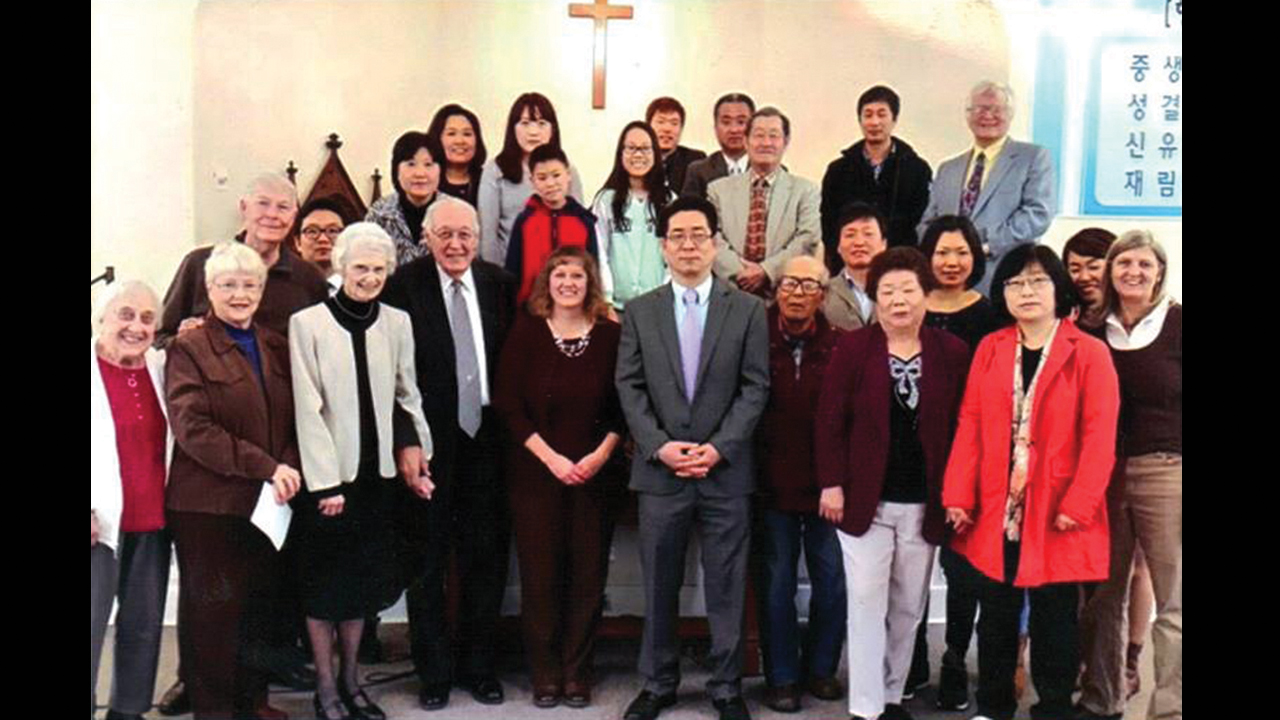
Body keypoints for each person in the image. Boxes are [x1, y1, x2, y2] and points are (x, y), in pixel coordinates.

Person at [154, 174, 324, 716]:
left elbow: (300, 411)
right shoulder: (190, 346)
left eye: (249, 286)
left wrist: (289, 467)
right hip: (210, 500)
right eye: (228, 286)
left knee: (257, 608)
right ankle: (215, 709)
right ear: (209, 289)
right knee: (212, 613)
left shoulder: (275, 344)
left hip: (267, 500)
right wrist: (267, 465)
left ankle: (254, 703)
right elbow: (194, 428)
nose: (240, 293)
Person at [942, 244, 1119, 720]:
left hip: (1056, 509)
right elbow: (970, 423)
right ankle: (994, 705)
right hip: (995, 507)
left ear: (1059, 290)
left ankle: (1054, 706)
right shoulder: (992, 347)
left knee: (1055, 619)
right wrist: (958, 494)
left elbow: (1099, 437)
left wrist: (1078, 504)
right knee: (996, 615)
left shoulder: (1090, 352)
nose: (1027, 291)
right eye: (1015, 282)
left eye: (1038, 281)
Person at [616, 195, 769, 720]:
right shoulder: (639, 311)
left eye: (698, 235)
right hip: (661, 473)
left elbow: (755, 388)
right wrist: (661, 446)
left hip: (725, 473)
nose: (687, 245)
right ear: (663, 247)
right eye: (677, 235)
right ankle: (658, 683)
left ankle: (727, 688)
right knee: (659, 585)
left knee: (726, 585)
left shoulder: (748, 310)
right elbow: (629, 387)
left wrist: (718, 449)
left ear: (715, 244)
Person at [815, 248, 970, 720]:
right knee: (865, 602)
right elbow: (828, 420)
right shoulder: (854, 348)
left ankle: (890, 694)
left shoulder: (951, 352)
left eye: (908, 290)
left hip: (926, 503)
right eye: (888, 291)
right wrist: (831, 484)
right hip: (865, 501)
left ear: (926, 295)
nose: (899, 300)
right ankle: (865, 708)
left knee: (908, 608)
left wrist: (959, 495)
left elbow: (967, 427)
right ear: (875, 298)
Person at [289, 223, 434, 720]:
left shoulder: (396, 322)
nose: (369, 277)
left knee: (360, 584)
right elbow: (307, 408)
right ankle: (325, 688)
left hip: (378, 478)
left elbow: (406, 394)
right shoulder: (307, 323)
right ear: (340, 268)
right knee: (324, 585)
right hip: (330, 481)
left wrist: (420, 458)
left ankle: (353, 681)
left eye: (378, 269)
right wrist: (325, 483)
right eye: (360, 268)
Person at [380, 195, 517, 711]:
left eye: (466, 234)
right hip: (427, 444)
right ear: (427, 238)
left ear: (478, 237)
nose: (456, 244)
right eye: (446, 235)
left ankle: (480, 668)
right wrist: (404, 441)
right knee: (427, 560)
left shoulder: (499, 286)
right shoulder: (402, 288)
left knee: (487, 557)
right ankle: (434, 673)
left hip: (488, 442)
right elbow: (388, 375)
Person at [494, 246, 623, 709]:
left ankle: (577, 672)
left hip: (596, 473)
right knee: (541, 577)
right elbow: (508, 404)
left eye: (578, 275)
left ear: (591, 284)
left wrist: (598, 456)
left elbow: (621, 408)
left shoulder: (610, 336)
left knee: (588, 576)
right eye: (560, 274)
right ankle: (546, 673)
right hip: (536, 473)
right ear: (546, 282)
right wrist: (552, 459)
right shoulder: (527, 331)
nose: (568, 283)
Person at [1078, 231, 1181, 720]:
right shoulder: (1093, 329)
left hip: (1168, 471)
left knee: (1175, 603)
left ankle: (1169, 709)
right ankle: (1103, 700)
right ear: (1110, 271)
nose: (1133, 272)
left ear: (1159, 271)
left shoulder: (1179, 323)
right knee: (1103, 596)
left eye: (1144, 264)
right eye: (1124, 263)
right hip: (1105, 474)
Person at [752, 256, 846, 714]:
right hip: (770, 485)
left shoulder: (842, 346)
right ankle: (783, 676)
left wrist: (839, 481)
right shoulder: (754, 339)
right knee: (776, 583)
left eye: (809, 285)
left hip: (828, 488)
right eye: (789, 283)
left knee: (831, 582)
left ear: (823, 295)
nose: (797, 292)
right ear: (777, 289)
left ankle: (822, 669)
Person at [92, 281, 171, 720]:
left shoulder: (159, 365)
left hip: (152, 518)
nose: (136, 327)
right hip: (98, 521)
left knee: (142, 626)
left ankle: (128, 711)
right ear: (101, 319)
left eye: (146, 318)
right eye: (125, 314)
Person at [158, 172, 329, 348]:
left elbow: (321, 347)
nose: (272, 214)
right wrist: (185, 341)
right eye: (263, 204)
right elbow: (158, 338)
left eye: (283, 207)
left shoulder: (310, 278)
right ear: (243, 207)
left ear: (294, 216)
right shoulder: (200, 264)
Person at [918, 81, 1055, 294]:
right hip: (946, 287)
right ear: (968, 115)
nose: (988, 115)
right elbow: (928, 223)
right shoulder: (948, 169)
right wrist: (941, 256)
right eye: (980, 108)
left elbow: (1038, 215)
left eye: (996, 109)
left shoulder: (1033, 157)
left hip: (1005, 278)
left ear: (1010, 114)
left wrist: (983, 247)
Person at [709, 106, 821, 297]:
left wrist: (766, 271)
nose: (766, 142)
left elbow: (807, 239)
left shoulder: (806, 190)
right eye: (759, 135)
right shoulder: (718, 190)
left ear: (785, 142)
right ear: (746, 141)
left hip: (783, 292)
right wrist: (741, 274)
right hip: (731, 291)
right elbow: (712, 237)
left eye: (774, 135)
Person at [820, 85, 932, 262]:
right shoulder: (838, 170)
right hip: (849, 264)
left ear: (894, 119)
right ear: (860, 120)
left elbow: (919, 222)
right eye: (868, 115)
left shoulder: (916, 169)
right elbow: (828, 223)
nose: (874, 122)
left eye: (881, 114)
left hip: (900, 264)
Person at [479, 92, 585, 265]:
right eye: (525, 123)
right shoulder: (496, 170)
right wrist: (497, 277)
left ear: (553, 129)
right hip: (510, 271)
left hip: (560, 273)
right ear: (513, 128)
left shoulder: (568, 169)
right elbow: (488, 235)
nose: (533, 131)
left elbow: (579, 223)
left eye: (542, 123)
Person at [591, 121, 673, 310]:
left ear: (655, 154)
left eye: (645, 148)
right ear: (621, 153)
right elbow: (600, 253)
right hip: (616, 307)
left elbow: (673, 256)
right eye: (631, 148)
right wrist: (606, 298)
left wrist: (666, 295)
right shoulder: (605, 200)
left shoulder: (669, 200)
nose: (638, 155)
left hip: (659, 306)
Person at [504, 145, 599, 304]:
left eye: (556, 175)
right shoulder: (525, 220)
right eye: (542, 178)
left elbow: (593, 269)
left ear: (568, 175)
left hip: (575, 307)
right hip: (532, 308)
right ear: (532, 181)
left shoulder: (584, 221)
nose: (550, 183)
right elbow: (512, 270)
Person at [366, 131, 445, 268]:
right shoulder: (379, 213)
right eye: (411, 164)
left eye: (428, 164)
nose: (420, 173)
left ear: (440, 170)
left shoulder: (454, 212)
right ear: (396, 170)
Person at [823, 202, 887, 331]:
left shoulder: (899, 290)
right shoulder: (824, 293)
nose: (859, 242)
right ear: (838, 246)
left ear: (884, 244)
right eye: (850, 235)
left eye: (868, 234)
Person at [682, 93, 755, 199]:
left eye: (741, 122)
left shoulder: (772, 169)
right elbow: (687, 213)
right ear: (715, 127)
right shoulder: (698, 171)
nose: (734, 130)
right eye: (726, 122)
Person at [427, 104, 488, 208]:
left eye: (467, 134)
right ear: (437, 138)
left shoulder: (488, 181)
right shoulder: (426, 181)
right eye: (451, 133)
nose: (460, 141)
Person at [293, 195, 358, 288]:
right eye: (312, 231)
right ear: (297, 242)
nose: (323, 239)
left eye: (332, 231)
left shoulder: (361, 290)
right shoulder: (282, 290)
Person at [647, 96, 706, 196]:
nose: (667, 129)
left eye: (674, 123)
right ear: (648, 127)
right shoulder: (637, 160)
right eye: (661, 122)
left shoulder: (696, 160)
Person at [1063, 227, 1118, 328]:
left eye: (1093, 267)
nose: (1084, 277)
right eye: (1075, 270)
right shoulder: (1062, 320)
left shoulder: (1130, 318)